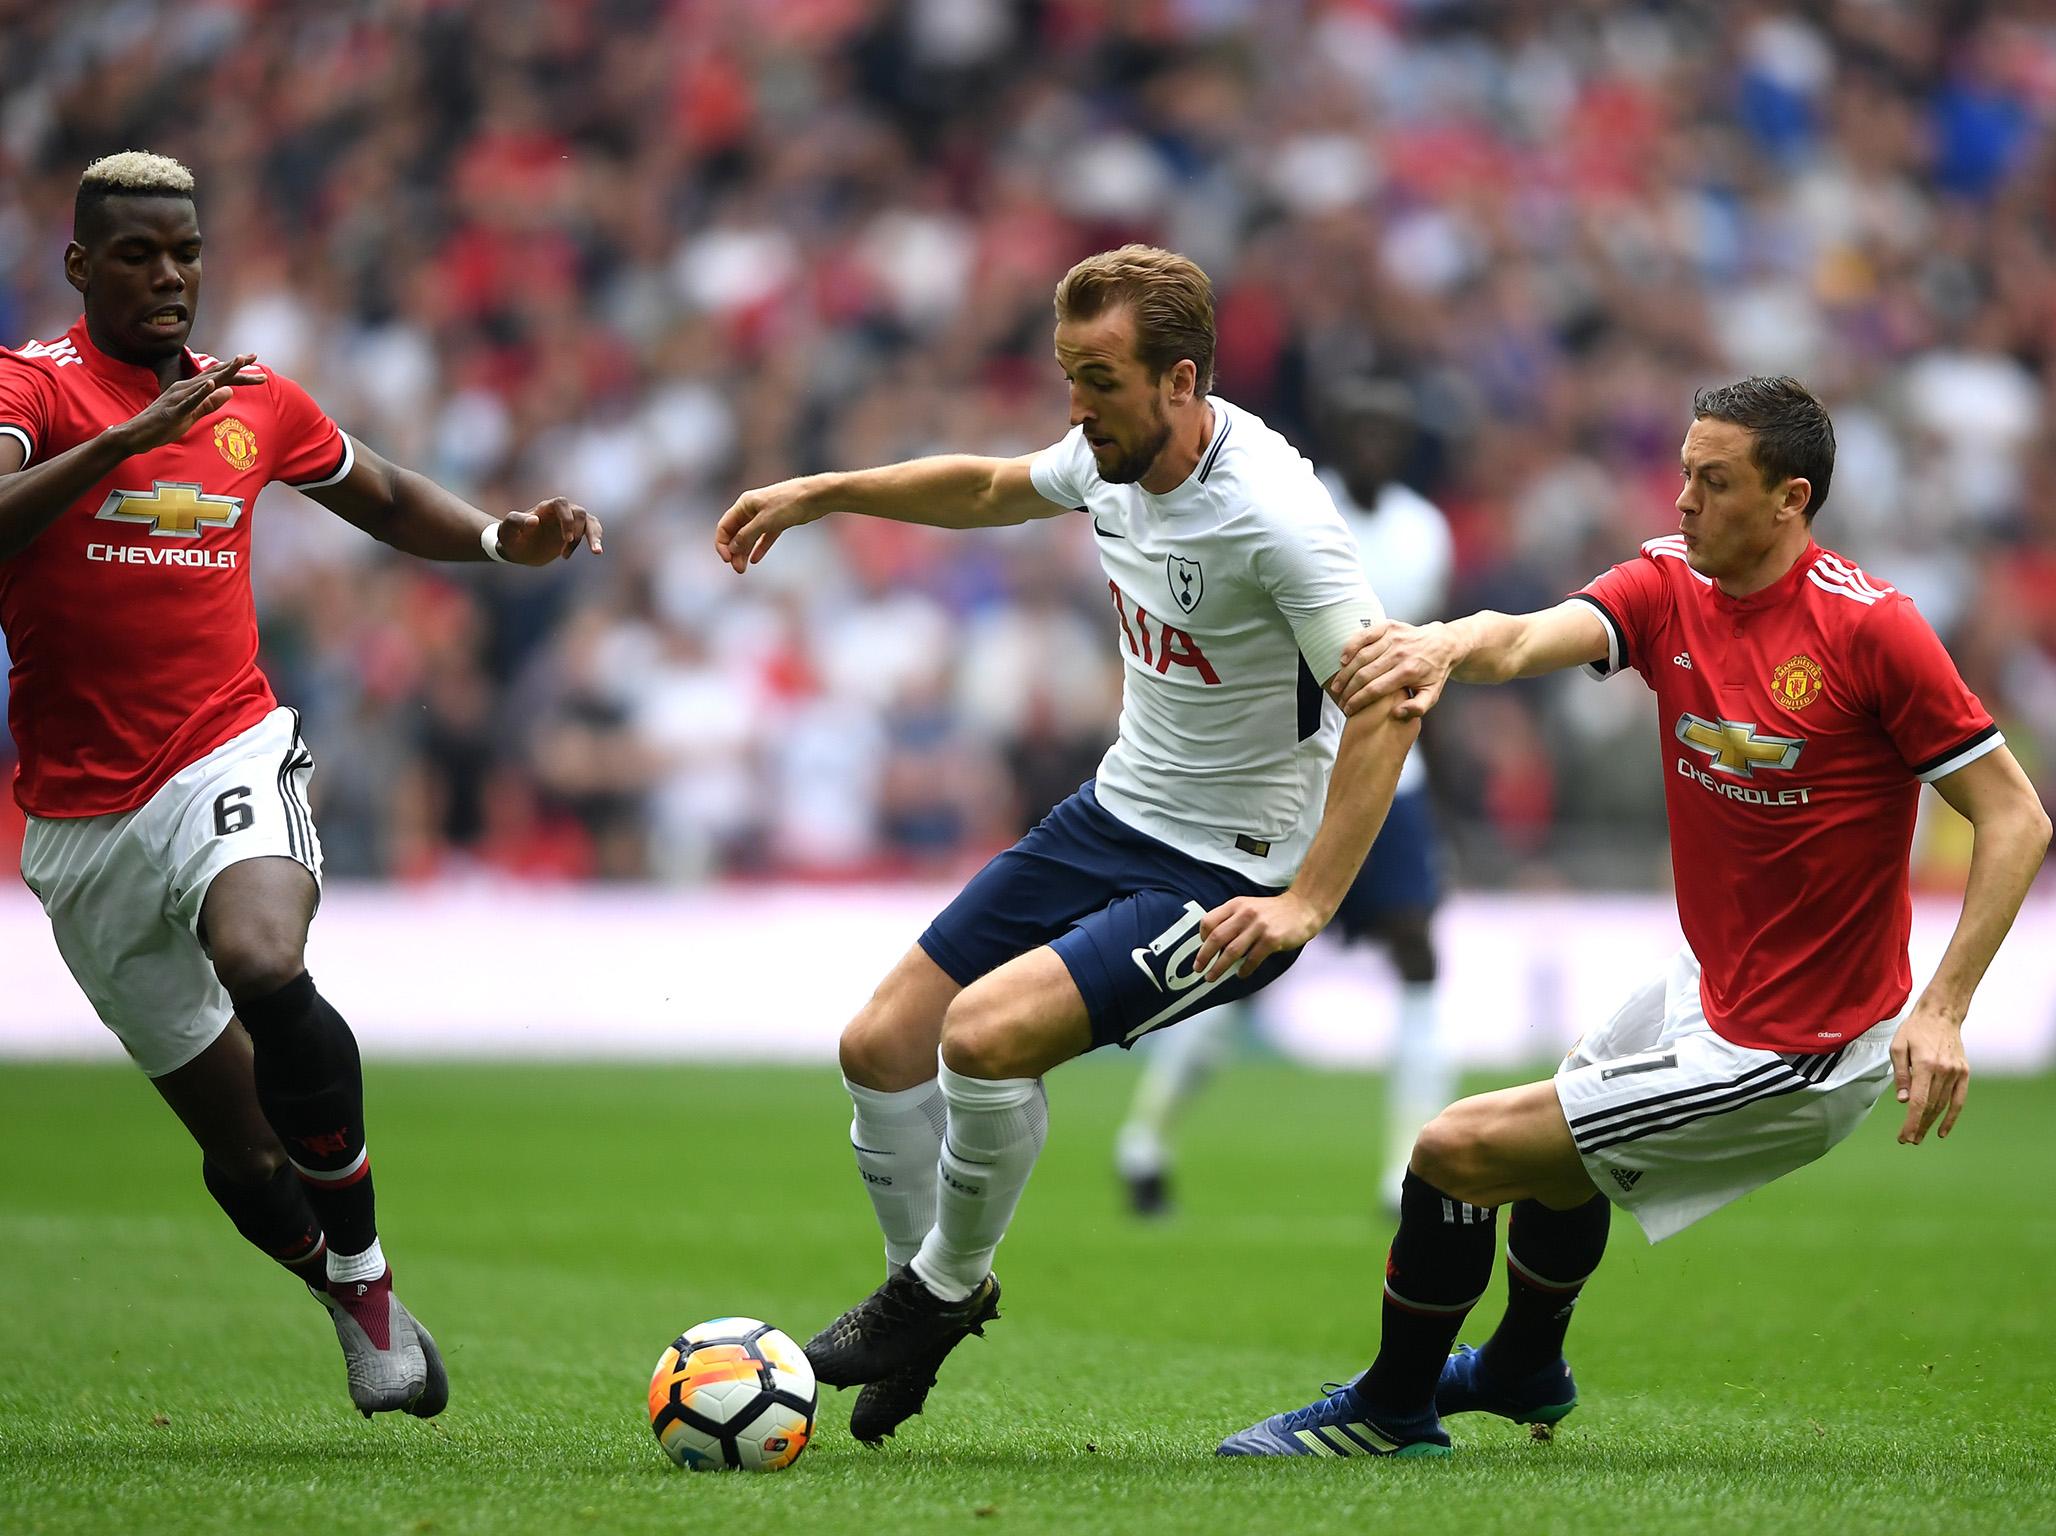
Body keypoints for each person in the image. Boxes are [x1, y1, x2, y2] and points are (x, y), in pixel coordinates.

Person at [1217, 375, 2050, 1458]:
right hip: (1704, 988)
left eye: (1713, 482)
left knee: (1451, 1151)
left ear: (1790, 498)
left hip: (1800, 1045)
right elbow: (1524, 639)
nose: (1684, 502)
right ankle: (1522, 1366)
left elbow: (2014, 819)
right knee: (1553, 1138)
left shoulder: (1872, 632)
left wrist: (1941, 1008)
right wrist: (1439, 646)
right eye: (1682, 475)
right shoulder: (1668, 583)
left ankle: (1392, 1408)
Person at [714, 246, 1419, 1446]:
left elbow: (1391, 699)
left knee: (983, 1039)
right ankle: (928, 1294)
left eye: (1096, 379)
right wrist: (824, 490)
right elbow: (992, 488)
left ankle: (935, 1290)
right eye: (1067, 376)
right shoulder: (1111, 454)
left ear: (1180, 380)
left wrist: (1304, 902)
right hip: (1114, 813)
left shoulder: (1276, 517)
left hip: (1228, 874)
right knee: (879, 1046)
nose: (1074, 406)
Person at [0, 153, 602, 1419]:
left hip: (226, 747)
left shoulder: (252, 398)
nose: (168, 276)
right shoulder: (31, 391)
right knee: (241, 1149)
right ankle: (348, 1299)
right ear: (78, 266)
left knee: (263, 957)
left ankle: (370, 1273)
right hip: (76, 818)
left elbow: (376, 493)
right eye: (136, 255)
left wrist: (500, 539)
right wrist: (123, 441)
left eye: (186, 251)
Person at [1114, 377, 1455, 1216]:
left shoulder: (1425, 531)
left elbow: (1424, 666)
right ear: (1337, 437)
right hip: (1293, 773)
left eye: (1391, 432)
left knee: (1418, 953)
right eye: (1361, 429)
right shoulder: (1297, 509)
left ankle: (1407, 1165)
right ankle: (1148, 1136)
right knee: (1238, 958)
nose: (1375, 446)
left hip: (1391, 778)